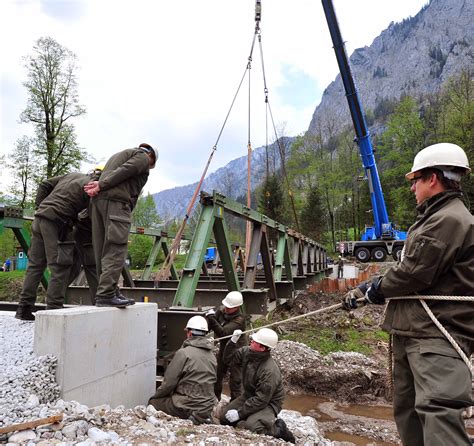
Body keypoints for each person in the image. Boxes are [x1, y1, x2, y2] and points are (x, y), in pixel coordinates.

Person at [342, 143, 473, 446]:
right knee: (409, 411)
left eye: (416, 179)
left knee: (437, 410)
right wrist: (366, 288)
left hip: (436, 335)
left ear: (433, 178)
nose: (412, 185)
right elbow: (408, 267)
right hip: (416, 331)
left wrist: (375, 290)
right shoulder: (434, 217)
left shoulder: (448, 219)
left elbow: (414, 272)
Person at [84, 143, 158, 308]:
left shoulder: (116, 156)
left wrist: (99, 186)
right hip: (116, 204)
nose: (149, 168)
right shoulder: (142, 157)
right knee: (116, 248)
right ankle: (106, 294)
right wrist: (101, 185)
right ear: (151, 157)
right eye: (151, 166)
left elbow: (109, 174)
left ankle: (109, 290)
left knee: (103, 250)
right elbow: (125, 171)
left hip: (98, 204)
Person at [15, 172, 95, 321]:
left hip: (40, 219)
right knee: (60, 266)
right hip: (57, 223)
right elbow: (88, 217)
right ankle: (54, 308)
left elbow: (45, 184)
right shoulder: (93, 187)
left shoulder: (72, 175)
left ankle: (23, 308)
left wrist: (40, 207)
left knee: (35, 266)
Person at [220, 328, 295, 443]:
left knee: (252, 426)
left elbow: (261, 400)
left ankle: (279, 430)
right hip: (250, 395)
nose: (251, 341)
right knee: (224, 417)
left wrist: (239, 413)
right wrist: (232, 342)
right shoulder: (247, 353)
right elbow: (228, 359)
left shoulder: (269, 371)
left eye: (255, 341)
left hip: (269, 403)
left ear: (262, 348)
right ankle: (247, 418)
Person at [148, 315, 217, 424]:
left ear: (189, 333)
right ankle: (202, 416)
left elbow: (169, 383)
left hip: (187, 405)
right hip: (207, 406)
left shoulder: (184, 353)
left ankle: (191, 417)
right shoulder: (211, 355)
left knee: (154, 403)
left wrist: (155, 396)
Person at [205, 290, 247, 401]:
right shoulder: (222, 310)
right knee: (217, 375)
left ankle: (236, 403)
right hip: (225, 347)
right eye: (226, 306)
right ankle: (215, 399)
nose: (226, 309)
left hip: (237, 350)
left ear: (237, 307)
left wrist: (212, 318)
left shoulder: (240, 320)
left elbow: (223, 332)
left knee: (235, 380)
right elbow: (210, 326)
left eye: (230, 307)